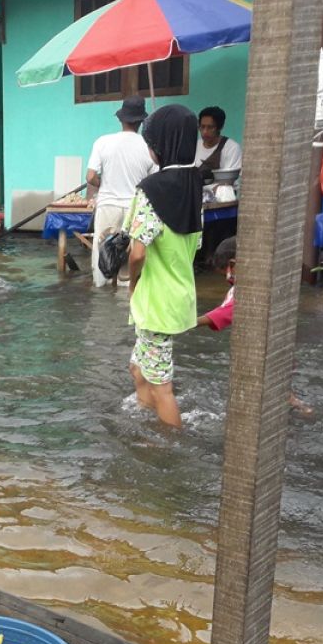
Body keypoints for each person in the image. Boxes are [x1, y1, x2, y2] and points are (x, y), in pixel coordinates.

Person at [125, 104, 203, 429]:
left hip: (155, 301)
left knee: (162, 386)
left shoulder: (150, 190)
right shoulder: (195, 184)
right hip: (180, 294)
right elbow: (196, 242)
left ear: (160, 144)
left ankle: (171, 447)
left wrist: (131, 284)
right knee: (137, 368)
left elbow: (138, 253)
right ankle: (144, 419)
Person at [195, 237, 313, 416]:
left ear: (234, 264)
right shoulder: (263, 277)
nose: (227, 277)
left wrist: (191, 322)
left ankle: (304, 411)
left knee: (276, 391)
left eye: (225, 272)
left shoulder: (248, 289)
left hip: (266, 349)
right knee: (277, 389)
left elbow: (227, 312)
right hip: (279, 345)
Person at [86, 96, 157, 287]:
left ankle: (102, 293)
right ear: (141, 121)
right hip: (135, 210)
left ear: (120, 119)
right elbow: (153, 183)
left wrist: (104, 183)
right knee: (129, 263)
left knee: (104, 258)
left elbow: (90, 176)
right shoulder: (149, 146)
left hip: (108, 206)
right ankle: (126, 298)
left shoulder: (102, 142)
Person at [194, 106, 242, 183]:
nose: (205, 131)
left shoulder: (232, 148)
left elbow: (229, 180)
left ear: (220, 127)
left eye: (210, 127)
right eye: (202, 127)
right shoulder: (194, 146)